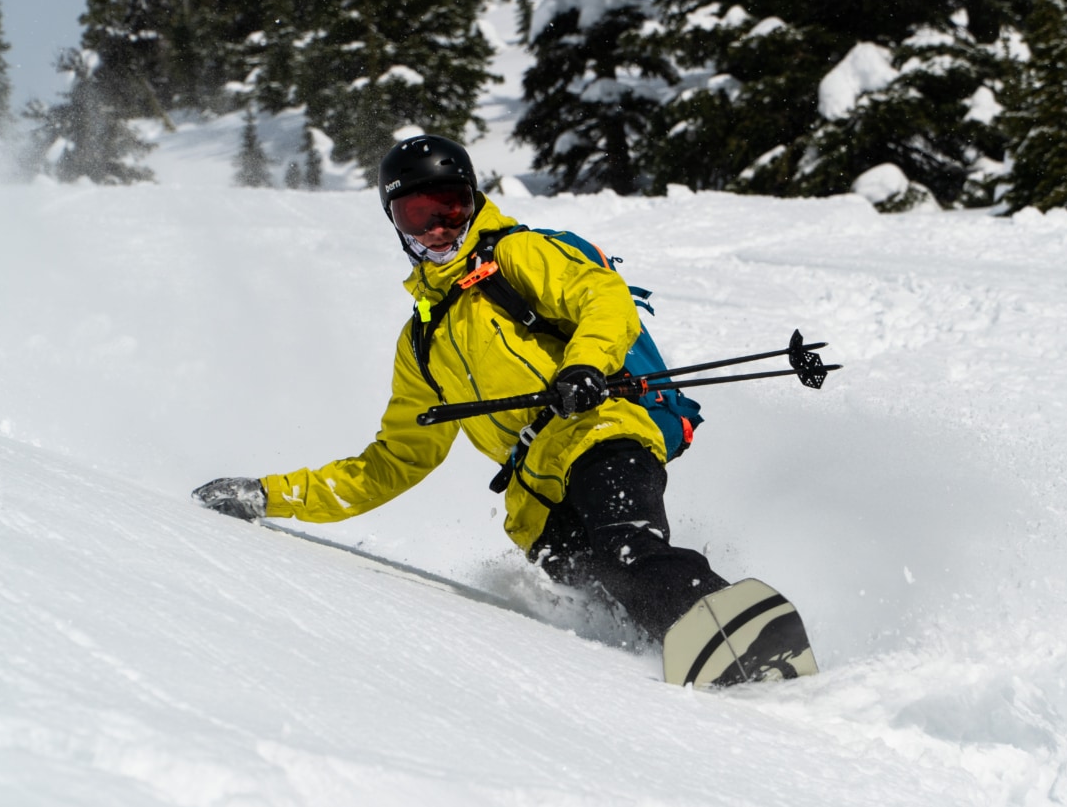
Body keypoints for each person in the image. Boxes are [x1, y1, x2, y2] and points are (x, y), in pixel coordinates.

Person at [193, 134, 730, 641]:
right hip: (537, 505)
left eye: (448, 208)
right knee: (605, 603)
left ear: (472, 202)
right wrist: (270, 495)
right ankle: (686, 681)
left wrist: (584, 366)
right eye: (416, 216)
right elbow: (393, 462)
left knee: (627, 552)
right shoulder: (423, 343)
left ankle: (733, 638)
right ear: (396, 223)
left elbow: (603, 298)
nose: (436, 231)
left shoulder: (517, 255)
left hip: (600, 434)